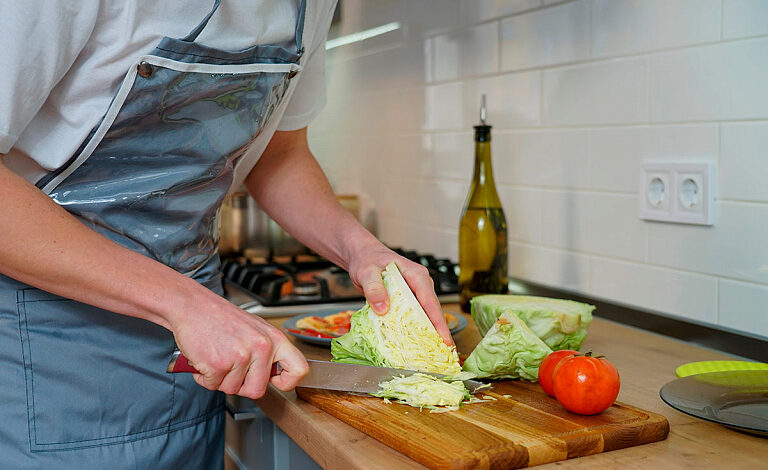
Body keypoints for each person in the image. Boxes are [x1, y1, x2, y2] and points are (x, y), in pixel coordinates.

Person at [0, 1, 454, 468]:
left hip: (202, 338)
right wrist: (184, 304)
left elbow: (280, 155)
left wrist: (361, 249)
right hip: (51, 342)